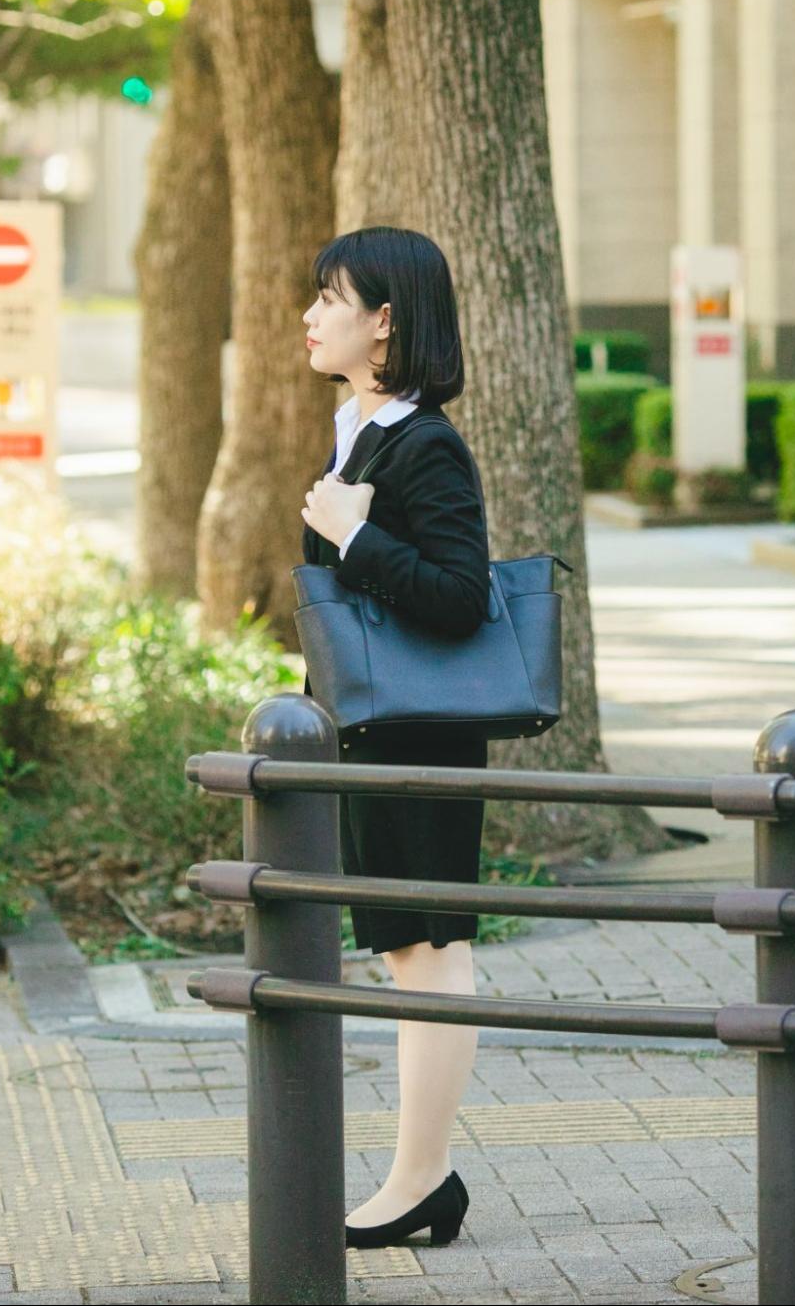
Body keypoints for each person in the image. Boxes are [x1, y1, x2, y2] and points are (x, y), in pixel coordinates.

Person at [297, 226, 486, 1248]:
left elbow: (460, 595)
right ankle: (425, 1176)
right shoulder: (357, 431)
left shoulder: (426, 441)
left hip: (423, 735)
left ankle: (420, 1175)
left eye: (332, 297)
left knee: (429, 950)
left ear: (386, 320)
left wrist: (356, 537)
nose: (311, 313)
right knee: (405, 951)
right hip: (372, 731)